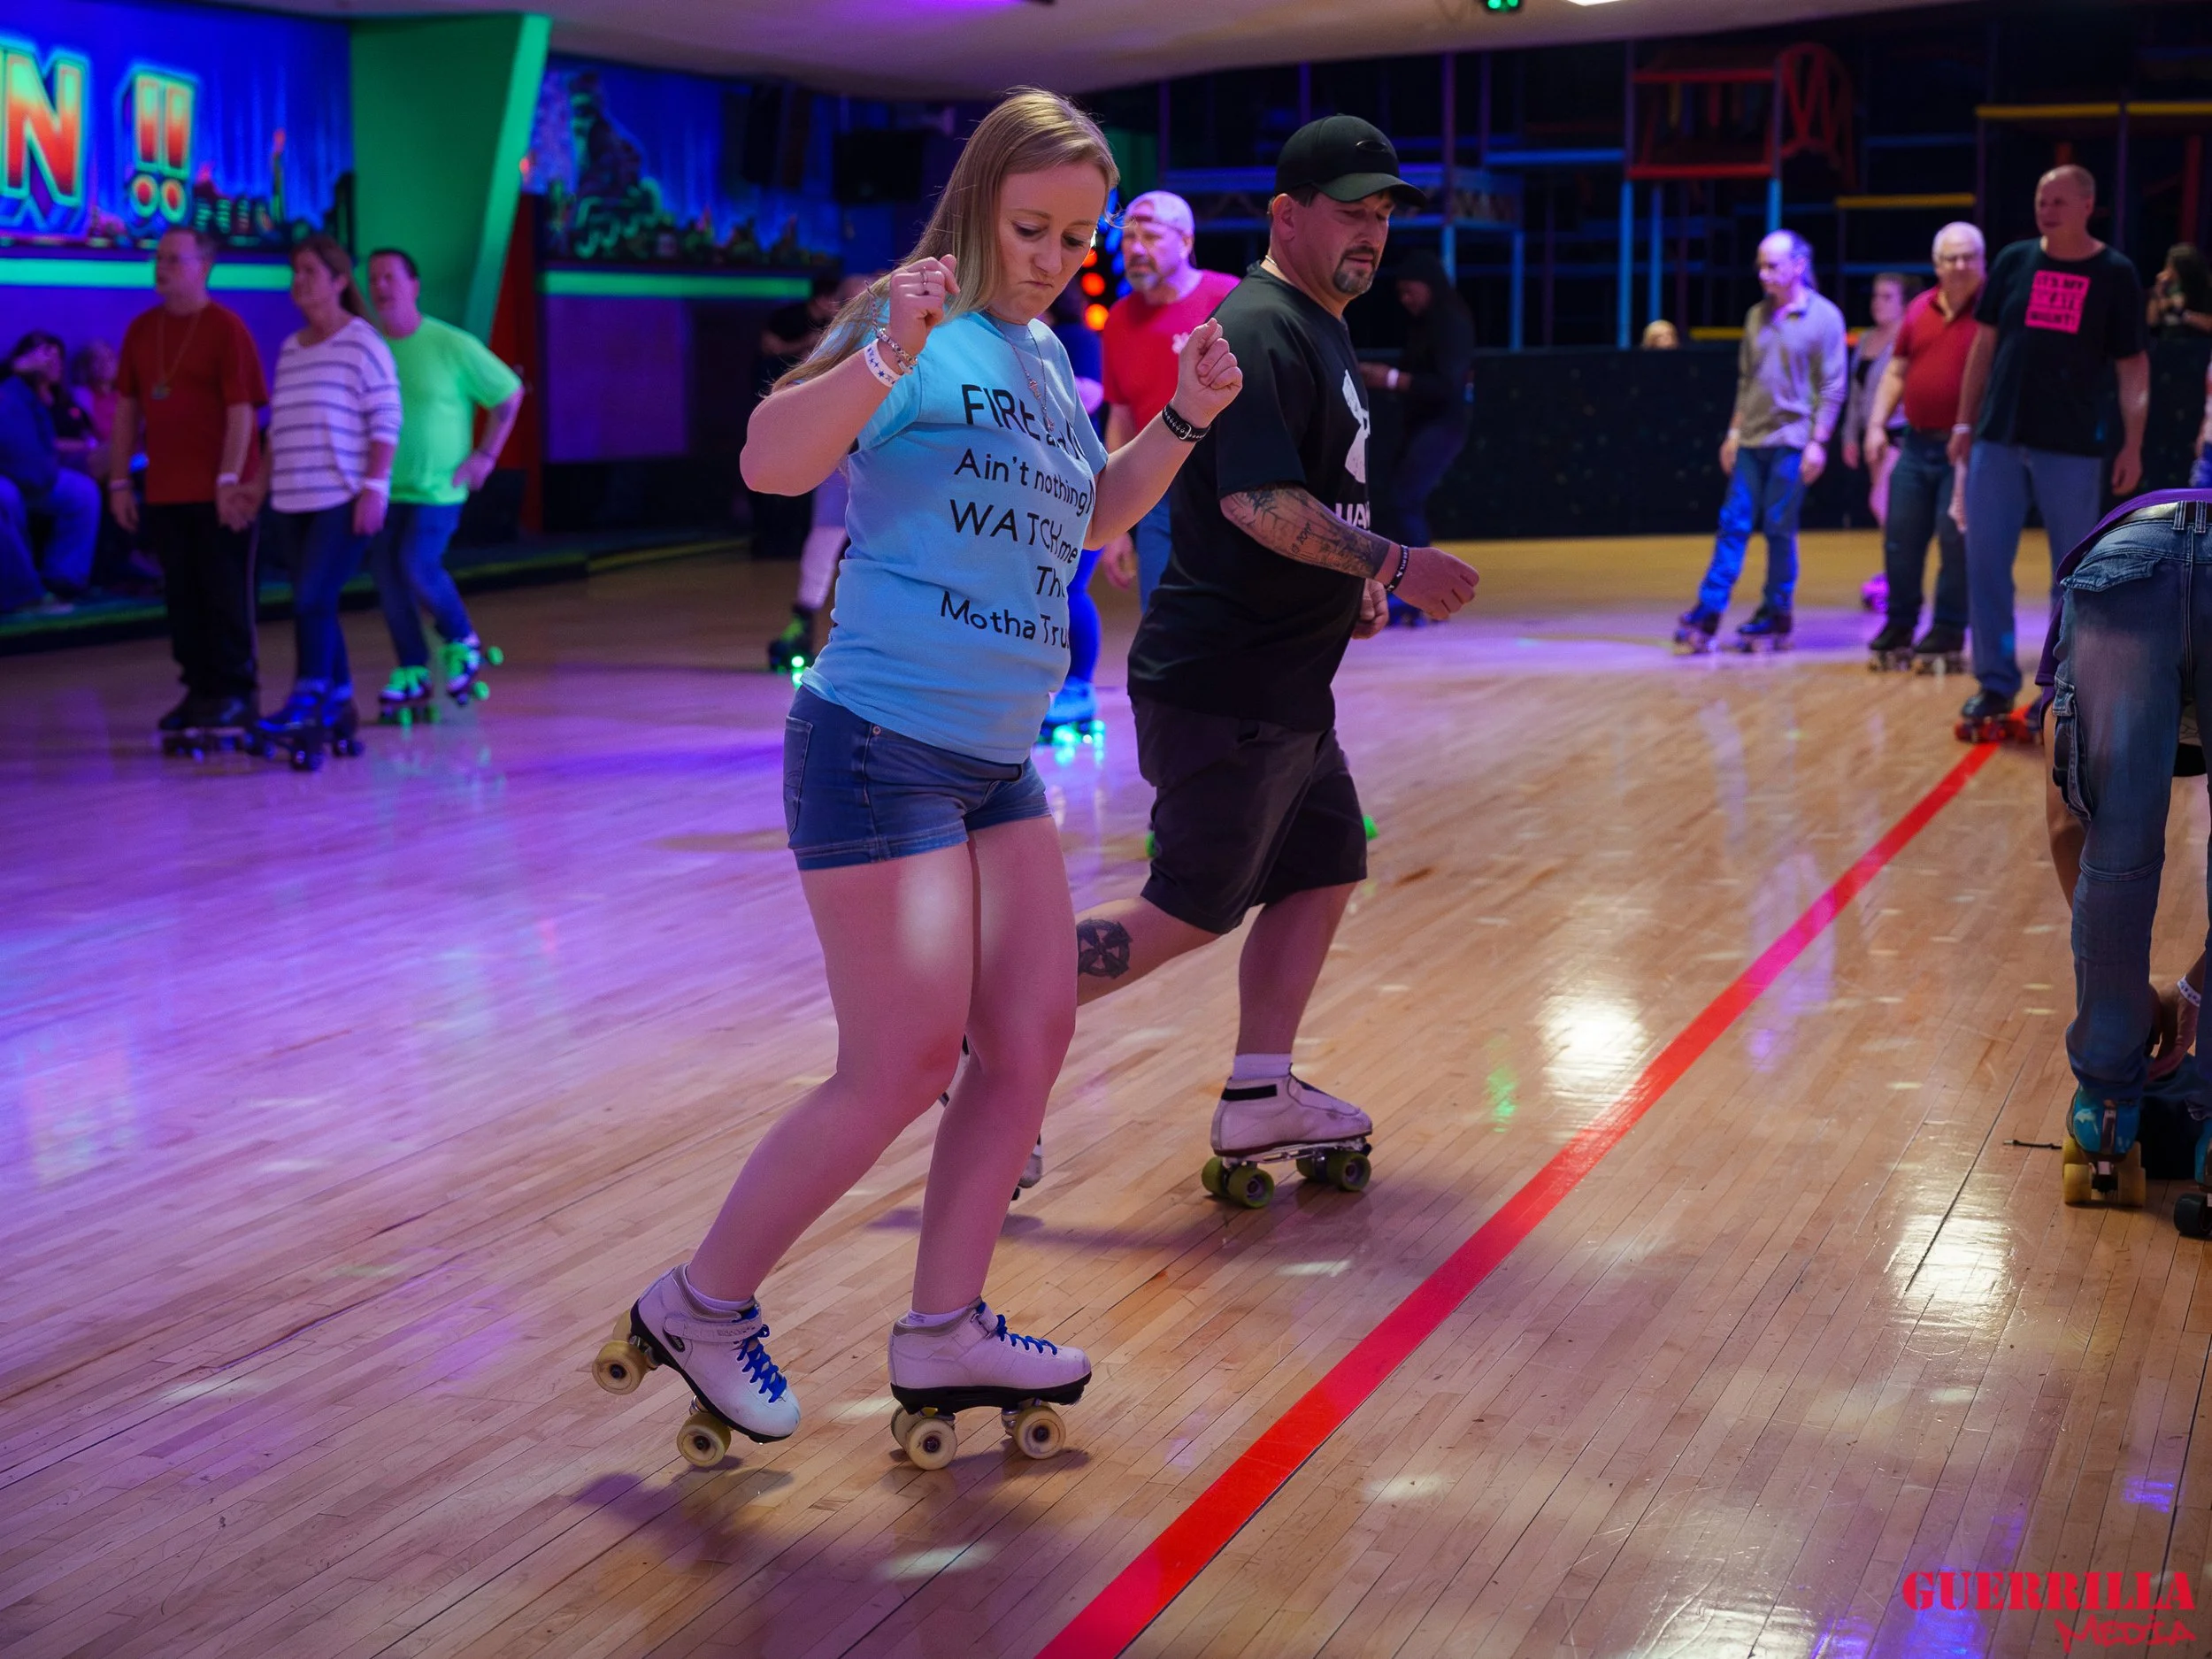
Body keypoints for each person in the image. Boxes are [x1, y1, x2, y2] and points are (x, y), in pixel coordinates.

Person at [595, 88, 1244, 1463]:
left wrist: (1180, 420)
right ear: (977, 202)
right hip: (881, 745)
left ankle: (945, 1323)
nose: (1058, 254)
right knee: (897, 1062)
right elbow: (772, 461)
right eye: (1033, 226)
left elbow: (1092, 516)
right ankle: (701, 1303)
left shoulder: (1041, 357)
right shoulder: (915, 323)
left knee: (1031, 1034)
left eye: (1078, 234)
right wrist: (883, 351)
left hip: (993, 763)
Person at [1030, 114, 1477, 1202]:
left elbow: (1304, 498)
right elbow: (1254, 499)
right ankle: (985, 1025)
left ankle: (1259, 1092)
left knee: (1324, 868)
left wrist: (1353, 584)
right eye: (1350, 212)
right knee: (1187, 907)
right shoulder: (1267, 325)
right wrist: (1392, 561)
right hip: (1225, 684)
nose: (1371, 234)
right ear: (1286, 215)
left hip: (1283, 683)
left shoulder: (1319, 324)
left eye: (1382, 216)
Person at [2037, 488, 2212, 1210]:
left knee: (2116, 844)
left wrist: (2124, 993)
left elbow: (2064, 826)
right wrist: (2199, 985)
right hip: (2125, 555)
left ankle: (2104, 1117)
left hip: (2123, 560)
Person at [1950, 165, 2148, 735]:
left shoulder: (2115, 274)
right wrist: (1964, 424)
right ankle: (1992, 683)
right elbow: (1983, 348)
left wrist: (2132, 442)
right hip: (1999, 439)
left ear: (2088, 204)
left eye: (2060, 200)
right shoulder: (2013, 261)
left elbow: (2133, 366)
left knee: (2073, 574)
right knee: (1985, 562)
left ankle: (2059, 688)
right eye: (2041, 199)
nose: (2047, 208)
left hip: (2072, 447)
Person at [238, 234, 401, 762]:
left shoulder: (363, 342)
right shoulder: (291, 349)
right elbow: (277, 430)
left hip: (343, 496)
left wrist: (375, 487)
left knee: (310, 597)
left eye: (310, 271)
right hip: (291, 499)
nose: (299, 280)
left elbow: (386, 422)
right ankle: (341, 704)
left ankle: (308, 697)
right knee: (319, 602)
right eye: (295, 271)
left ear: (337, 281)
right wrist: (257, 487)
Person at [110, 227, 267, 734]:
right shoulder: (141, 330)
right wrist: (118, 482)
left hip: (222, 493)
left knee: (224, 593)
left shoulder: (226, 328)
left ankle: (237, 693)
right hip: (165, 489)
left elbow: (242, 411)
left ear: (204, 267)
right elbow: (127, 410)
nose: (162, 269)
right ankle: (199, 690)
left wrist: (228, 478)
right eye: (159, 260)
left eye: (175, 260)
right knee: (182, 596)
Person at [363, 247, 524, 722]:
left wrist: (486, 455)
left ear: (414, 286)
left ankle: (461, 639)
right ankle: (413, 667)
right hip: (385, 490)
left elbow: (508, 394)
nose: (381, 287)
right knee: (389, 580)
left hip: (438, 490)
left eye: (390, 277)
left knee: (416, 563)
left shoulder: (450, 344)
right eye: (373, 279)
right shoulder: (370, 349)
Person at [1673, 231, 1847, 654]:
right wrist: (1734, 432)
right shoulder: (1755, 316)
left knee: (1778, 529)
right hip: (1752, 440)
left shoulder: (1824, 318)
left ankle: (1776, 611)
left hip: (1792, 440)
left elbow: (1833, 385)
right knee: (1732, 524)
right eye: (1761, 265)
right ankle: (1710, 609)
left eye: (1772, 265)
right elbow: (1747, 381)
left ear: (1798, 266)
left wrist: (1817, 442)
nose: (1763, 273)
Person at [1095, 191, 1240, 613]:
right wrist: (1115, 522)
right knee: (1162, 624)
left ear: (1186, 242)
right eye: (1128, 239)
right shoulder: (1119, 320)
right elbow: (1120, 417)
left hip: (1226, 485)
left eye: (1152, 237)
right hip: (1156, 494)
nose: (1136, 249)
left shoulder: (1229, 299)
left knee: (1232, 624)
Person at [1863, 225, 1985, 670]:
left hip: (1968, 449)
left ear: (1983, 260)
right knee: (1901, 538)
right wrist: (1876, 424)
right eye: (1951, 258)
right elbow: (1896, 371)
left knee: (1955, 542)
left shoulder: (1993, 310)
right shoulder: (1918, 309)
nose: (1960, 266)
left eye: (1969, 256)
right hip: (1916, 445)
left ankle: (1949, 628)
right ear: (1936, 265)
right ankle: (1899, 623)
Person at [765, 272, 873, 676]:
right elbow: (799, 397)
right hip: (843, 464)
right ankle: (802, 622)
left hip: (888, 469)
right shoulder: (832, 348)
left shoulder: (909, 342)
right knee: (825, 541)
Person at [1362, 249, 1473, 625]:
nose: (1406, 301)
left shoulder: (1451, 322)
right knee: (1399, 498)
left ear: (1429, 287)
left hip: (1444, 425)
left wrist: (1389, 378)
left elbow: (1447, 385)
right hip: (1426, 424)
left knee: (1404, 498)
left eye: (1412, 292)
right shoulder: (1426, 323)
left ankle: (1421, 591)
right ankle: (1413, 590)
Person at [751, 273, 846, 606]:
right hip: (842, 452)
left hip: (882, 458)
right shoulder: (833, 341)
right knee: (828, 531)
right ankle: (804, 616)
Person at [0, 332, 98, 604]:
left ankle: (64, 579)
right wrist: (15, 368)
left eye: (56, 357)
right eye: (45, 355)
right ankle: (23, 594)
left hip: (39, 476)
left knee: (81, 492)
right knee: (5, 496)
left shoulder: (55, 400)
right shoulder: (9, 387)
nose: (50, 362)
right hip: (7, 476)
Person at [1842, 272, 1915, 524]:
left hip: (1898, 430)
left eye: (1887, 297)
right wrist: (1850, 435)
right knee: (1886, 503)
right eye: (1875, 295)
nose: (1877, 302)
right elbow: (1855, 392)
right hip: (1870, 431)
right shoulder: (1865, 339)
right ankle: (1896, 562)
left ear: (1903, 303)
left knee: (1880, 500)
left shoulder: (1909, 338)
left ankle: (1904, 560)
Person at [2147, 244, 2212, 338]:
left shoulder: (2206, 288)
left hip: (2196, 344)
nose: (2168, 270)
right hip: (2167, 343)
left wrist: (2180, 312)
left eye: (2171, 266)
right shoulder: (2165, 287)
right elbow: (2151, 321)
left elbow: (2209, 325)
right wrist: (2157, 290)